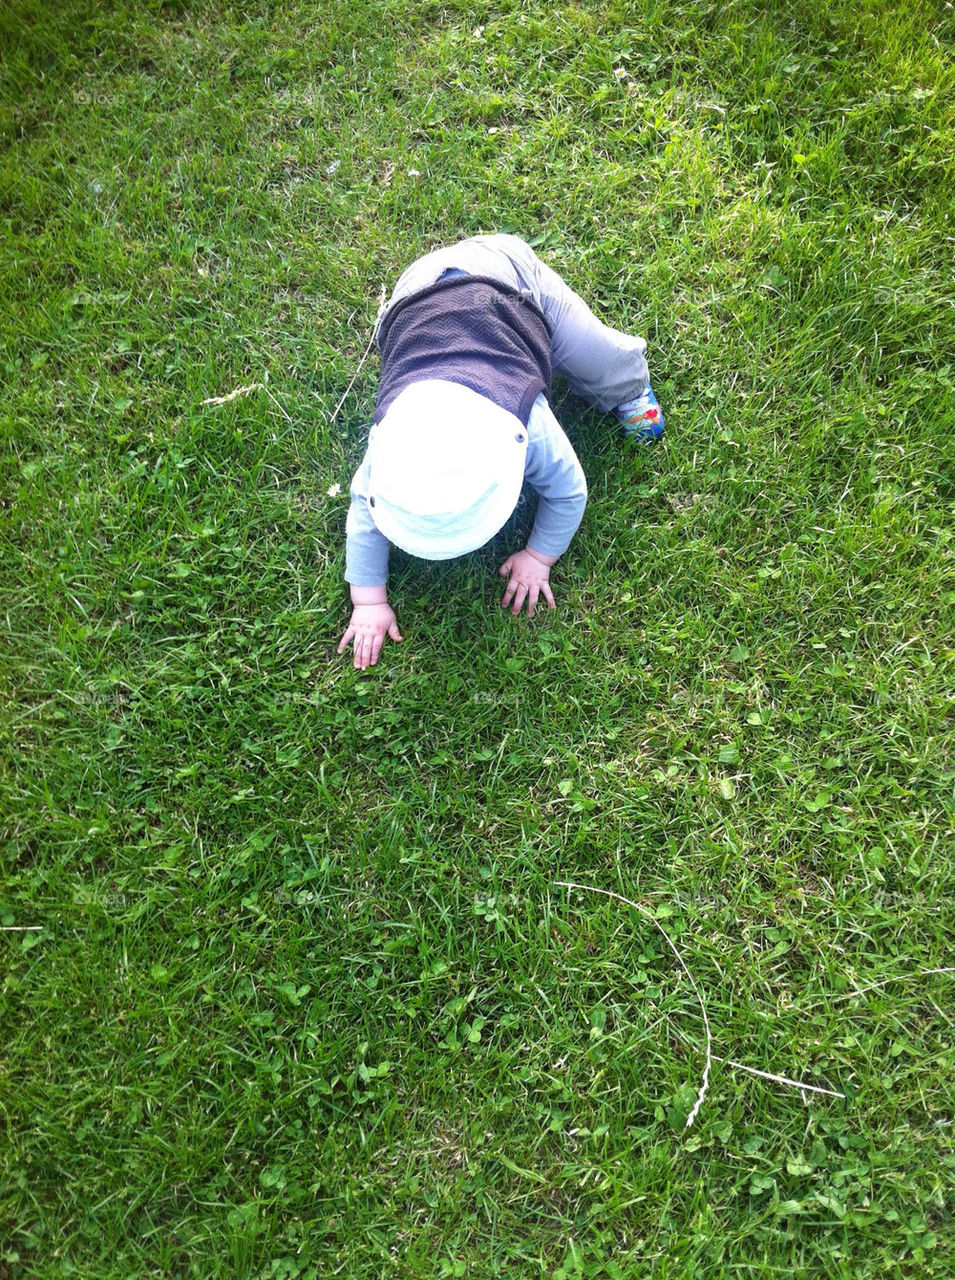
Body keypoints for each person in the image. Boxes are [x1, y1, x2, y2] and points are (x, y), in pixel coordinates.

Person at [337, 233, 664, 669]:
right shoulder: (389, 440)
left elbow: (568, 492)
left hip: (506, 280)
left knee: (595, 356)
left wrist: (538, 556)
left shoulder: (522, 417)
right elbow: (366, 509)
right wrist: (368, 601)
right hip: (414, 294)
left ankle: (628, 384)